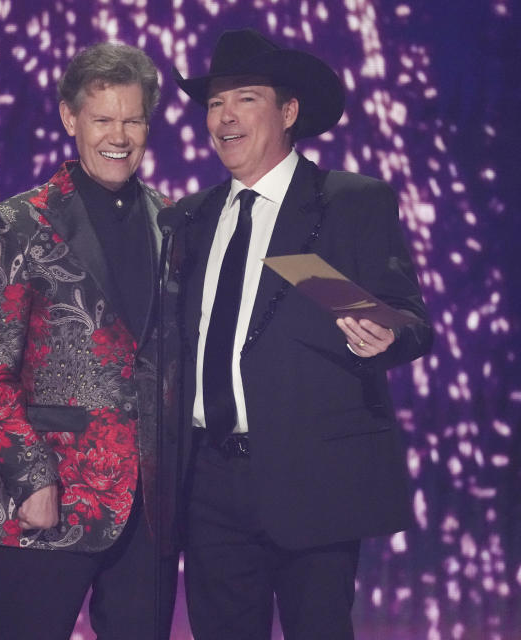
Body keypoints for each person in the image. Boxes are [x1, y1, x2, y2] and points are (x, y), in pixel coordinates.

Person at [171, 28, 434, 639]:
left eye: (245, 98)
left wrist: (387, 335)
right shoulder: (188, 217)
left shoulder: (347, 203)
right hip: (209, 485)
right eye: (214, 103)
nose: (225, 117)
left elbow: (409, 318)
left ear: (289, 112)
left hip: (313, 479)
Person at [0, 42, 177, 640]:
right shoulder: (18, 224)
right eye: (104, 118)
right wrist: (31, 478)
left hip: (146, 509)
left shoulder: (172, 222)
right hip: (45, 496)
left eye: (133, 119)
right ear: (70, 118)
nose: (120, 135)